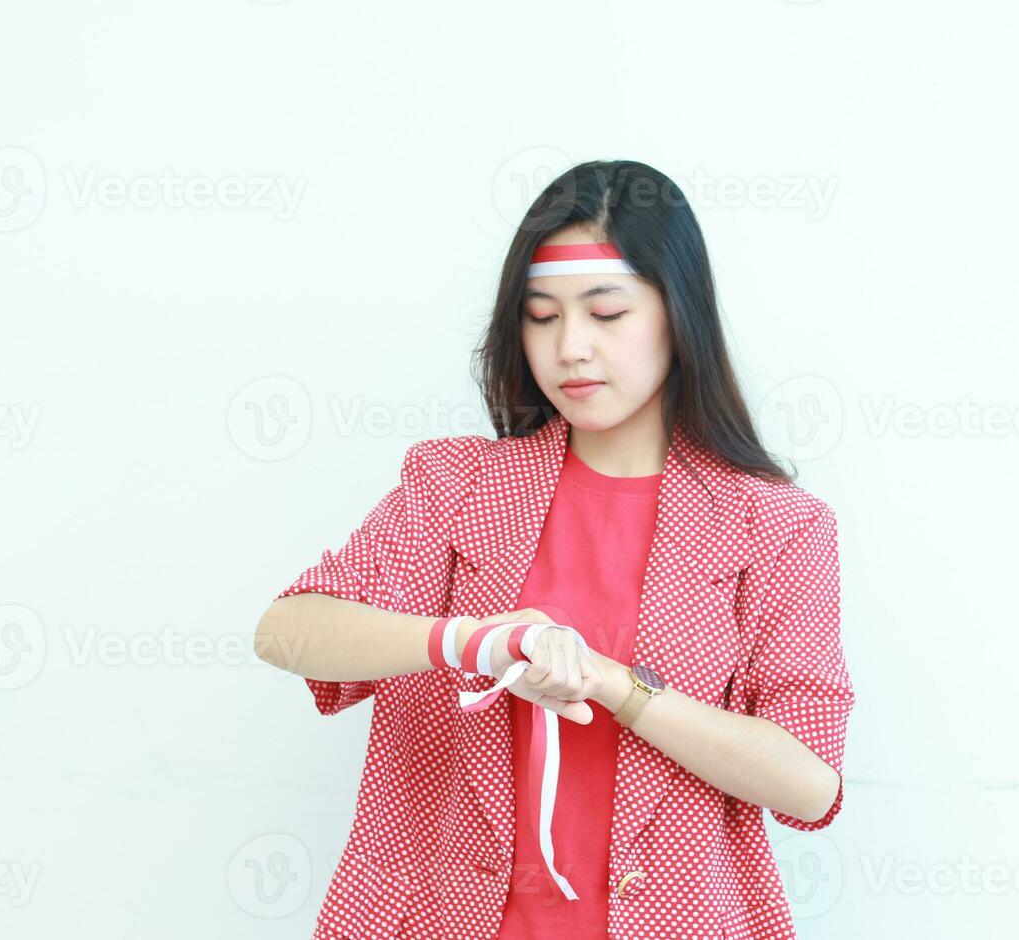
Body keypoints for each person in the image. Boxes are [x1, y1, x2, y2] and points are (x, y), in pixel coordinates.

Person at [255, 160, 855, 940]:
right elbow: (287, 629)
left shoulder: (778, 525)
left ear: (680, 315)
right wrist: (473, 638)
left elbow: (808, 784)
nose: (570, 348)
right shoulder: (455, 483)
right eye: (541, 317)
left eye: (606, 313)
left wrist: (614, 684)